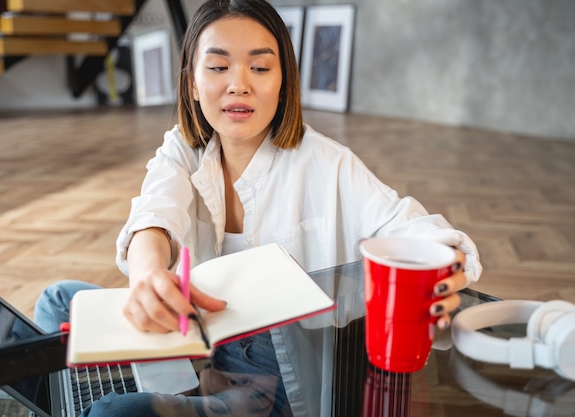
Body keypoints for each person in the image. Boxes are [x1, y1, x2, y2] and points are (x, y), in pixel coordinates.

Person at [32, 0, 482, 416]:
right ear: (192, 82)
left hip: (274, 383)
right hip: (199, 342)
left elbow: (413, 227)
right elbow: (155, 211)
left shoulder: (328, 162)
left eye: (260, 67)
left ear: (282, 79)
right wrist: (150, 273)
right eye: (218, 66)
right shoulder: (184, 149)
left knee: (114, 412)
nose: (239, 84)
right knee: (56, 300)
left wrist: (446, 264)